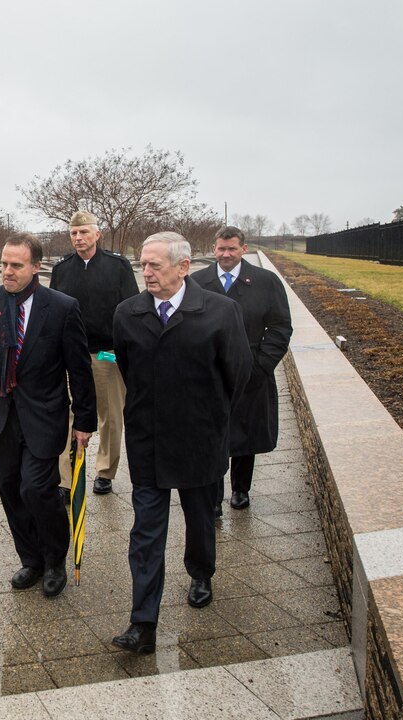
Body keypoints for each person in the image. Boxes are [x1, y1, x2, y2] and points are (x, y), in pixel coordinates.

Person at [110, 232, 251, 653]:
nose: (146, 273)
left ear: (184, 266)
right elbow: (127, 369)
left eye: (155, 265)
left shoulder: (221, 312)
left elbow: (238, 374)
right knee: (146, 533)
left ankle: (201, 572)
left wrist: (211, 418)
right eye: (143, 265)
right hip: (148, 442)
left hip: (199, 440)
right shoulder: (127, 313)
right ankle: (143, 623)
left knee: (200, 518)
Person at [0, 232, 97, 598]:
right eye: (4, 264)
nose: (7, 271)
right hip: (1, 417)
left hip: (45, 416)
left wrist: (85, 420)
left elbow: (79, 370)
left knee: (36, 488)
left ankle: (55, 560)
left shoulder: (61, 307)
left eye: (16, 265)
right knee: (10, 490)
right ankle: (31, 560)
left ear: (36, 267)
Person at [190, 226, 293, 516]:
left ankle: (240, 489)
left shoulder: (266, 281)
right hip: (209, 373)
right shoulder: (197, 282)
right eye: (221, 249)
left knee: (245, 434)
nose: (226, 254)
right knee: (212, 434)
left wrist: (261, 365)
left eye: (232, 249)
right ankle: (213, 494)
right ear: (214, 249)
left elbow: (280, 326)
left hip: (251, 372)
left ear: (243, 249)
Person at [49, 211, 139, 495]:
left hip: (105, 354)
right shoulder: (62, 269)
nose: (79, 238)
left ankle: (105, 471)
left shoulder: (118, 266)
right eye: (74, 233)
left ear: (97, 234)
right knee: (66, 415)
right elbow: (51, 310)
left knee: (110, 415)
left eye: (84, 232)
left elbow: (131, 310)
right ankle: (64, 478)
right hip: (69, 355)